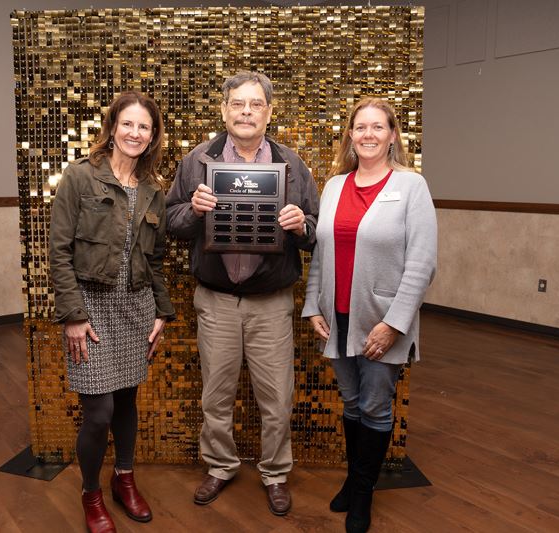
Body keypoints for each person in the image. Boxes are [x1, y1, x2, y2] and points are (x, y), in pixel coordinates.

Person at [165, 71, 319, 516]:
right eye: (238, 103)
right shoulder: (198, 160)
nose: (246, 111)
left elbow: (315, 231)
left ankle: (274, 472)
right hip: (215, 301)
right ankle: (220, 465)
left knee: (276, 398)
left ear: (269, 112)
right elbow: (173, 223)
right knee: (215, 393)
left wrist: (300, 226)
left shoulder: (292, 164)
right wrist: (193, 211)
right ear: (224, 110)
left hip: (271, 302)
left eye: (255, 104)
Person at [301, 97, 437, 533]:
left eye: (378, 127)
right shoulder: (336, 185)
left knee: (376, 408)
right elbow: (321, 253)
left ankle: (362, 494)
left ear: (393, 135)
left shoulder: (412, 187)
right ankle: (354, 478)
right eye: (361, 127)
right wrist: (312, 305)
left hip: (382, 320)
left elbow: (422, 263)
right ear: (351, 135)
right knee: (352, 403)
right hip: (336, 318)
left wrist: (395, 323)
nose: (369, 135)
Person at [49, 91, 175, 533]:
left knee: (126, 400)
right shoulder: (80, 178)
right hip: (90, 309)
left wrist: (162, 311)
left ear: (153, 134)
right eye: (128, 124)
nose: (135, 133)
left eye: (145, 127)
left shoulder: (154, 190)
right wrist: (73, 316)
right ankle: (91, 492)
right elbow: (58, 252)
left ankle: (124, 477)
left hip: (136, 307)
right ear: (113, 127)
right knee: (98, 410)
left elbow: (155, 260)